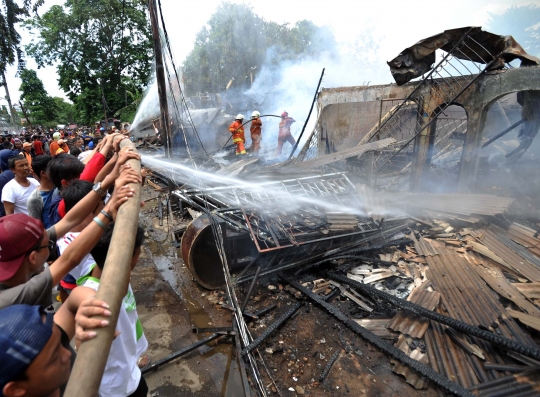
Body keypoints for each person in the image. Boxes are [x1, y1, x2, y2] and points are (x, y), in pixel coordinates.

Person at [0, 160, 140, 310]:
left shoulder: (21, 257)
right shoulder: (19, 295)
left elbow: (69, 220)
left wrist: (106, 184)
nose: (53, 240)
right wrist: (109, 211)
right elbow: (70, 259)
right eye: (49, 244)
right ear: (33, 257)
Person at [64, 224, 148, 397]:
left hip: (129, 369)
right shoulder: (94, 296)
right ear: (125, 260)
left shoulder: (106, 271)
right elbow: (83, 348)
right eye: (138, 254)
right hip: (116, 386)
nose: (139, 258)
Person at [27, 155, 55, 229]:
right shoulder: (35, 199)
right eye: (53, 169)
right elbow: (36, 227)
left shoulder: (60, 187)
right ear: (43, 173)